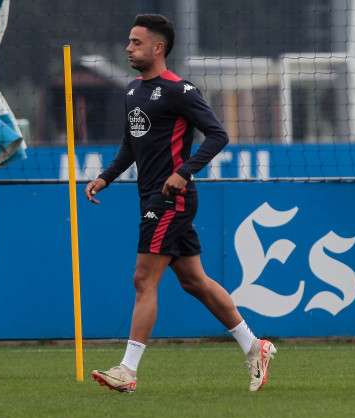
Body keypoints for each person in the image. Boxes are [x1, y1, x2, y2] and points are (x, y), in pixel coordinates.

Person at [85, 14, 276, 394]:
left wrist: (185, 172)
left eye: (136, 42)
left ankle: (127, 370)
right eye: (129, 41)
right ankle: (256, 347)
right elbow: (130, 145)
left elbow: (217, 135)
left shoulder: (179, 90)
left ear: (158, 48)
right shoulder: (132, 91)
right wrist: (106, 176)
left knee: (143, 278)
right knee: (195, 281)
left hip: (171, 198)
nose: (128, 47)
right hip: (150, 196)